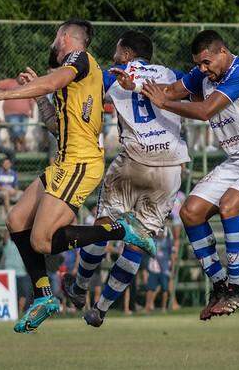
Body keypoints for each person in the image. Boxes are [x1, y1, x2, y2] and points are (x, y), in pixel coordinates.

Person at [0, 19, 153, 333]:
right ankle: (43, 297)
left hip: (80, 163)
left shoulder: (78, 60)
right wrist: (40, 97)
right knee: (16, 221)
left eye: (56, 36)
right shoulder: (77, 77)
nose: (53, 42)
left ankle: (118, 230)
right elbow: (57, 124)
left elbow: (53, 82)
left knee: (41, 240)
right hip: (65, 162)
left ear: (64, 37)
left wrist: (5, 94)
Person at [141, 29, 239, 318]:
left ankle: (237, 289)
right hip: (238, 159)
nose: (202, 69)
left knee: (229, 206)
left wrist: (165, 103)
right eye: (198, 64)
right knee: (191, 212)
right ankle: (220, 285)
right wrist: (135, 85)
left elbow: (204, 110)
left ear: (222, 52)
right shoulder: (205, 74)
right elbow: (170, 90)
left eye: (206, 62)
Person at [62, 30, 189, 327]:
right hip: (170, 167)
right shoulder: (172, 74)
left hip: (133, 162)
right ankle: (101, 309)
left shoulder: (115, 74)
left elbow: (82, 91)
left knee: (105, 227)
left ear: (128, 54)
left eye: (118, 50)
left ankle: (80, 287)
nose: (114, 55)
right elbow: (195, 87)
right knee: (139, 242)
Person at [0, 77, 34, 152]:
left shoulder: (28, 85)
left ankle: (18, 149)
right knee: (16, 132)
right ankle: (24, 147)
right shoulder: (9, 82)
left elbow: (31, 99)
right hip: (11, 114)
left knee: (22, 132)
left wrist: (32, 111)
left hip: (25, 114)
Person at [145, 227, 174, 312]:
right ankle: (148, 306)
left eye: (162, 231)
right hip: (154, 267)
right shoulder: (153, 240)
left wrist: (172, 268)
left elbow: (172, 255)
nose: (160, 233)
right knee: (150, 288)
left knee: (165, 289)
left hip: (164, 268)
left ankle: (163, 307)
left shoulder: (168, 241)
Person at [3, 232, 32, 312]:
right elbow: (5, 237)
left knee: (23, 294)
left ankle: (20, 311)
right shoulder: (9, 244)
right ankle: (13, 311)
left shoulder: (23, 245)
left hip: (21, 273)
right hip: (9, 273)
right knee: (10, 294)